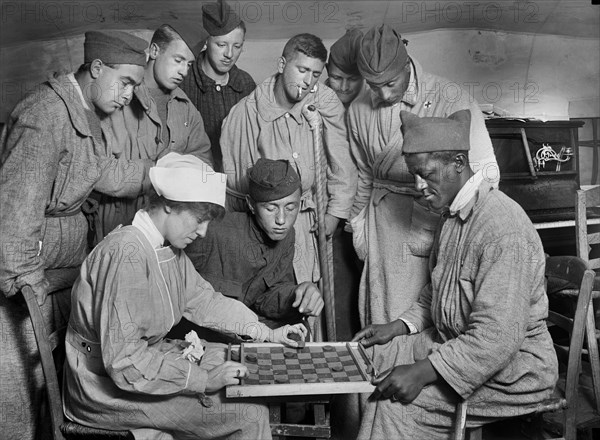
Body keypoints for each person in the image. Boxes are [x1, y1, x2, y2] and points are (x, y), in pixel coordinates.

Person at [64, 153, 306, 440]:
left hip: (140, 363)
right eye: (199, 220)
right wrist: (202, 379)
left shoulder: (165, 249)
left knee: (237, 361)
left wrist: (267, 335)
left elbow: (205, 301)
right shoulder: (127, 252)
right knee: (249, 414)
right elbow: (125, 362)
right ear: (168, 206)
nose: (203, 232)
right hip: (102, 387)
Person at [352, 110, 557, 439]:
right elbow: (436, 293)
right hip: (456, 343)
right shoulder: (450, 216)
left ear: (459, 162)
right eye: (414, 175)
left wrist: (423, 371)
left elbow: (494, 340)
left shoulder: (502, 228)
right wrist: (398, 326)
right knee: (370, 360)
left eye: (427, 174)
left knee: (394, 402)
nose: (420, 187)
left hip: (515, 370)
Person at [0, 30, 151, 440]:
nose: (128, 95)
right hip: (29, 284)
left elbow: (106, 174)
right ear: (97, 68)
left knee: (56, 393)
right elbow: (16, 213)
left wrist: (159, 173)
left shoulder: (86, 114)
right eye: (126, 82)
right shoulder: (44, 114)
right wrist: (29, 288)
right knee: (20, 398)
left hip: (61, 274)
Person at [347, 24, 499, 327]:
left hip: (437, 224)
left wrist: (465, 235)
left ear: (407, 64)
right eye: (374, 86)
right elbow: (362, 175)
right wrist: (358, 229)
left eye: (391, 83)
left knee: (436, 320)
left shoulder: (451, 96)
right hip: (382, 231)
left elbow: (487, 175)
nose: (384, 94)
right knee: (385, 324)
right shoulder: (357, 110)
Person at [221, 33, 357, 285]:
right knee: (270, 296)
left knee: (311, 299)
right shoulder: (244, 115)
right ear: (282, 65)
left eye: (316, 74)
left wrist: (334, 215)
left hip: (310, 223)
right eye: (302, 70)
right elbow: (237, 190)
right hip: (263, 228)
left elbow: (342, 166)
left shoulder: (325, 103)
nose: (308, 82)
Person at [98, 23, 213, 242]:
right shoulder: (119, 98)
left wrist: (181, 174)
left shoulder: (186, 108)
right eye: (178, 60)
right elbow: (98, 170)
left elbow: (203, 164)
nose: (184, 71)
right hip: (117, 224)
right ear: (153, 51)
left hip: (168, 230)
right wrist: (159, 172)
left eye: (189, 64)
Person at [186, 158, 324, 328]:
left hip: (248, 327)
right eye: (271, 208)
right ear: (251, 204)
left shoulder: (287, 236)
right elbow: (175, 286)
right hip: (205, 329)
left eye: (290, 208)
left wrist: (298, 293)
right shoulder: (212, 231)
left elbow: (267, 297)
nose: (281, 220)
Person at [181, 0, 256, 172]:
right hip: (193, 178)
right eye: (221, 45)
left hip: (236, 181)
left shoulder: (246, 84)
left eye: (237, 46)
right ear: (206, 42)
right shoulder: (183, 80)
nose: (229, 54)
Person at [325, 29, 366, 108]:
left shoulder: (376, 105)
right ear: (327, 69)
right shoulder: (313, 102)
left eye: (353, 79)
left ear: (364, 75)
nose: (344, 88)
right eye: (337, 78)